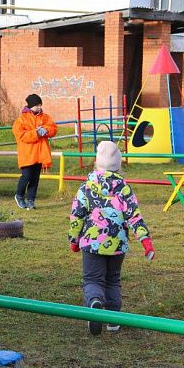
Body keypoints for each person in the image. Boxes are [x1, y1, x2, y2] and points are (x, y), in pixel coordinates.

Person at [68, 140, 154, 335]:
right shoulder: (124, 189)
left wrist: (74, 240)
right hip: (118, 243)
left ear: (96, 163)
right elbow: (134, 216)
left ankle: (94, 303)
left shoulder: (86, 188)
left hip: (92, 244)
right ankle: (113, 321)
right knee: (113, 280)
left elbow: (77, 216)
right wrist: (145, 241)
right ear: (119, 165)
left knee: (92, 279)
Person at [12, 94, 58, 209]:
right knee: (26, 177)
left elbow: (53, 128)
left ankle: (31, 200)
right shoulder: (21, 120)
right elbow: (21, 136)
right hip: (27, 154)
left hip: (40, 154)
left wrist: (46, 130)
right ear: (30, 106)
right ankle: (19, 195)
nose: (39, 107)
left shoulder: (45, 117)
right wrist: (36, 133)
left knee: (35, 179)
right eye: (37, 105)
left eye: (40, 105)